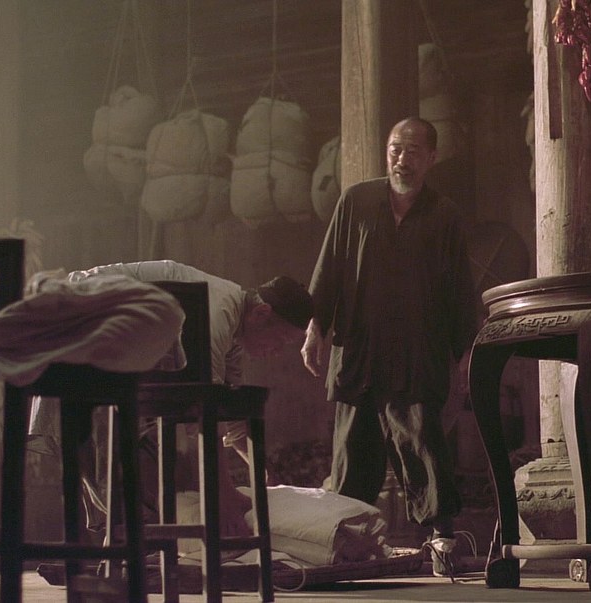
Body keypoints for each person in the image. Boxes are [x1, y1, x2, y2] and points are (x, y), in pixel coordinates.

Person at [301, 117, 480, 577]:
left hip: (416, 352)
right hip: (358, 350)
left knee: (422, 444)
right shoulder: (356, 202)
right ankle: (346, 546)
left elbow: (459, 289)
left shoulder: (444, 215)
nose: (402, 159)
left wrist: (465, 353)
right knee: (352, 454)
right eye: (396, 149)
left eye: (413, 151)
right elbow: (330, 267)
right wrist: (316, 327)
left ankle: (441, 540)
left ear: (431, 158)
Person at [27, 259, 313, 542]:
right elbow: (207, 413)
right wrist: (222, 496)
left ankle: (131, 539)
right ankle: (127, 540)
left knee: (152, 458)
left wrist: (264, 474)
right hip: (81, 323)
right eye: (281, 340)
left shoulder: (234, 332)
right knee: (121, 453)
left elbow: (230, 412)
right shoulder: (218, 314)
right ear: (261, 313)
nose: (277, 351)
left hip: (113, 344)